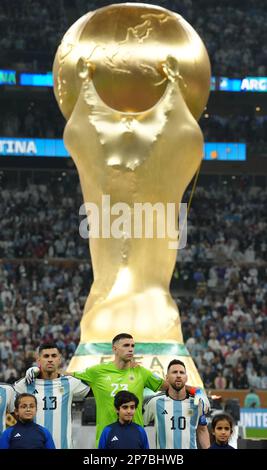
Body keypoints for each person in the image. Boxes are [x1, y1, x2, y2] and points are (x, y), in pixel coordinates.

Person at [25, 334, 209, 448]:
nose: (131, 349)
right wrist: (36, 369)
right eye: (126, 345)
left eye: (132, 346)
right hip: (105, 439)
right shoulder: (97, 372)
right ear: (114, 348)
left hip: (135, 437)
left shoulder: (141, 372)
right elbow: (63, 375)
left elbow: (172, 386)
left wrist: (198, 392)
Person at [14, 343, 90, 449]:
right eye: (46, 356)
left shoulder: (70, 383)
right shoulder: (27, 383)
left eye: (54, 356)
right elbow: (10, 398)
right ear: (38, 360)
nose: (50, 359)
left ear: (59, 359)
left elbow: (93, 388)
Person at [143, 359, 210, 449]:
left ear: (186, 378)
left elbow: (202, 430)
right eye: (174, 372)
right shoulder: (155, 402)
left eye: (181, 372)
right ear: (166, 377)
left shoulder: (197, 402)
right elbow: (139, 425)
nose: (178, 375)